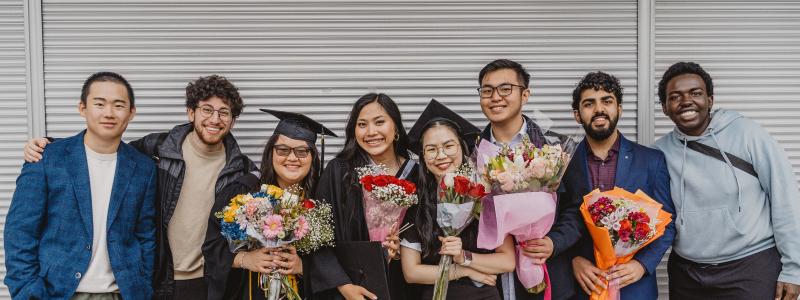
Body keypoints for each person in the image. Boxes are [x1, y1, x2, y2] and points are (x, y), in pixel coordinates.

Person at [23, 75, 258, 299]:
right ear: (191, 112)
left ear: (233, 120)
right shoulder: (158, 148)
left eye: (224, 112)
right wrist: (48, 146)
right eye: (207, 109)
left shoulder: (243, 171)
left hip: (205, 281)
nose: (214, 119)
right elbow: (104, 150)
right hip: (156, 279)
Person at [654, 62, 800, 300]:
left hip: (752, 266)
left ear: (710, 100)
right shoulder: (659, 153)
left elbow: (785, 198)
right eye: (675, 96)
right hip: (687, 272)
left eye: (696, 93)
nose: (686, 101)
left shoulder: (747, 134)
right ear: (665, 107)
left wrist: (794, 270)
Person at [5, 72, 156, 299]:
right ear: (82, 108)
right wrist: (29, 292)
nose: (108, 113)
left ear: (131, 112)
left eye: (118, 105)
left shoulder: (144, 168)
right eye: (99, 104)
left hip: (120, 293)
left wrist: (142, 285)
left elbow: (146, 235)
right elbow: (20, 233)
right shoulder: (47, 159)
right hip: (57, 293)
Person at [204, 108, 336, 300]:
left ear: (313, 157)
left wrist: (303, 267)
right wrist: (245, 259)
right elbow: (211, 247)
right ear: (271, 152)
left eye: (302, 151)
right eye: (282, 150)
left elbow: (338, 257)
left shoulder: (321, 200)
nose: (292, 158)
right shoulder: (243, 191)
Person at [564, 71, 675, 299]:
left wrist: (642, 265)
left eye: (607, 101)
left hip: (634, 287)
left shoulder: (651, 161)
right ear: (577, 114)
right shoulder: (563, 163)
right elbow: (554, 222)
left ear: (619, 109)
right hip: (582, 286)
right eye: (589, 104)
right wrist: (572, 260)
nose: (599, 109)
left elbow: (668, 224)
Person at [476, 59, 580, 300]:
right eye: (487, 90)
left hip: (546, 272)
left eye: (505, 89)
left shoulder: (555, 148)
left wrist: (554, 242)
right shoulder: (470, 150)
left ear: (525, 95)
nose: (495, 97)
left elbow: (575, 209)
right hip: (489, 283)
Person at [400, 99, 516, 299]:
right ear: (424, 157)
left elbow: (507, 261)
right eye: (431, 149)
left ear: (462, 148)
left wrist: (464, 257)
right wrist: (462, 270)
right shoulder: (415, 202)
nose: (441, 155)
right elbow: (411, 273)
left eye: (448, 145)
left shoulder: (484, 196)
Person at [310, 93, 418, 300]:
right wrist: (343, 285)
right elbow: (318, 238)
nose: (371, 132)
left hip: (402, 287)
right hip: (347, 290)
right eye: (362, 124)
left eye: (380, 122)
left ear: (395, 127)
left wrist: (403, 251)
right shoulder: (339, 172)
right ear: (354, 131)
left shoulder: (417, 174)